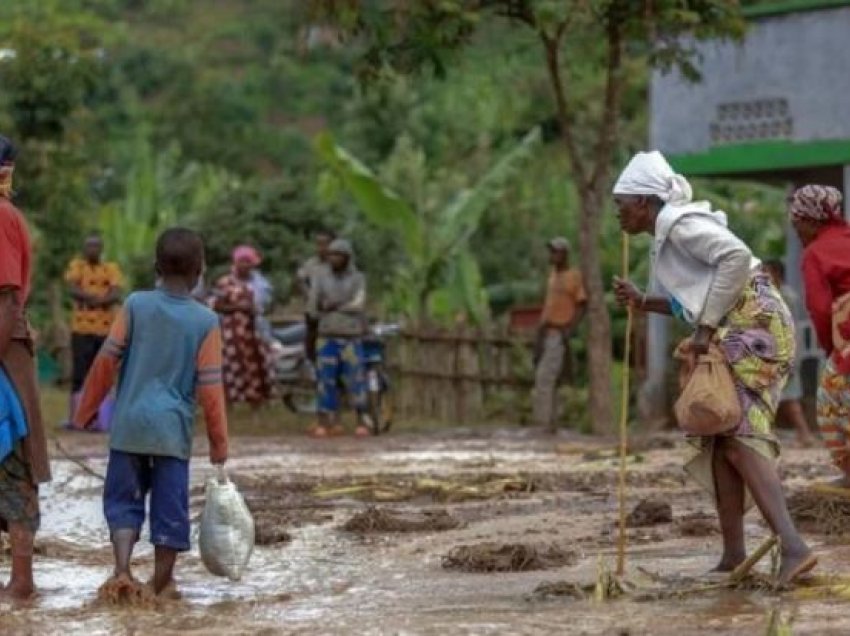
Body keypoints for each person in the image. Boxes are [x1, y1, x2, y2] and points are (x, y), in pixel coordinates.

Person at [611, 150, 814, 587]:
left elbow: (736, 259)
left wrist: (704, 329)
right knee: (721, 440)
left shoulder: (682, 226)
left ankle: (794, 546)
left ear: (645, 202)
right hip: (739, 327)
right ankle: (733, 555)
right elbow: (702, 296)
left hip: (755, 329)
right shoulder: (669, 234)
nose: (618, 215)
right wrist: (643, 301)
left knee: (740, 439)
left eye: (621, 204)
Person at [73, 228, 228, 598]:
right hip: (172, 432)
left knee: (123, 501)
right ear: (199, 271)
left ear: (156, 266)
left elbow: (105, 362)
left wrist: (85, 412)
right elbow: (211, 389)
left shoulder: (135, 305)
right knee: (170, 508)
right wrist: (219, 444)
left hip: (129, 427)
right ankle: (161, 583)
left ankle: (122, 571)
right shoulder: (206, 321)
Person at [0, 135, 51, 601]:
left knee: (13, 468)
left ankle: (21, 582)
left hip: (3, 363)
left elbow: (6, 299)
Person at [789, 186, 850, 486]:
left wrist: (833, 351)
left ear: (812, 220)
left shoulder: (815, 253)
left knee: (831, 403)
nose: (795, 230)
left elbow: (821, 310)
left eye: (796, 222)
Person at [307, 239, 369, 438]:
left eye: (339, 255)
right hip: (327, 334)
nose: (334, 258)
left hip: (351, 334)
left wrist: (336, 306)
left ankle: (361, 420)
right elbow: (313, 306)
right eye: (332, 254)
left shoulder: (358, 278)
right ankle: (325, 422)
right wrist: (324, 310)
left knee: (356, 378)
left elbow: (358, 304)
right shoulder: (320, 277)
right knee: (326, 380)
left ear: (347, 258)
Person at [63, 233, 123, 428]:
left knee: (103, 373)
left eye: (96, 246)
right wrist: (99, 299)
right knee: (80, 373)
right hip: (81, 329)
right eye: (89, 246)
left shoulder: (110, 269)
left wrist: (89, 299)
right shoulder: (77, 267)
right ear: (84, 249)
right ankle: (78, 419)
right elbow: (72, 289)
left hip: (105, 331)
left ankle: (101, 420)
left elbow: (116, 293)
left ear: (102, 249)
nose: (92, 250)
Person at [533, 237, 587, 432]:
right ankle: (550, 422)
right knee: (549, 378)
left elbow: (582, 304)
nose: (552, 256)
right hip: (547, 332)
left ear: (565, 254)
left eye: (556, 252)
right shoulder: (553, 276)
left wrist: (570, 329)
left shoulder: (573, 276)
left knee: (545, 378)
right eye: (551, 252)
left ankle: (544, 423)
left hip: (559, 333)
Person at [763, 259, 817, 447]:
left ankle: (805, 435)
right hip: (769, 354)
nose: (763, 276)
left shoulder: (787, 297)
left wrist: (791, 357)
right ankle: (770, 436)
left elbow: (791, 328)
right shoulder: (768, 296)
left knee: (790, 399)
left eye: (767, 272)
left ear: (777, 274)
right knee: (770, 398)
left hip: (785, 353)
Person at [212, 245, 274, 407]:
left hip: (254, 330)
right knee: (233, 364)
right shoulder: (225, 282)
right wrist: (239, 308)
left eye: (249, 262)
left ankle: (256, 399)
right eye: (242, 262)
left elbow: (266, 305)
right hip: (232, 332)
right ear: (235, 263)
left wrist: (255, 309)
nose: (245, 266)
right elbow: (217, 306)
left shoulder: (259, 283)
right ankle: (233, 400)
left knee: (257, 362)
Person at [296, 229, 335, 300]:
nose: (321, 248)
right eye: (318, 244)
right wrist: (308, 294)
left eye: (324, 244)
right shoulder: (311, 263)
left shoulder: (338, 263)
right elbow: (300, 280)